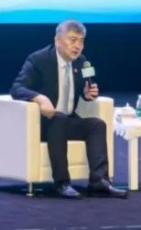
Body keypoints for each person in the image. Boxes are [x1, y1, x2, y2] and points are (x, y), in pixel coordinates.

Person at [10, 20, 128, 199]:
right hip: (43, 124)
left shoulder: (82, 62)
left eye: (81, 41)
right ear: (57, 39)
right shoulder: (39, 59)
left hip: (67, 120)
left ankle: (99, 182)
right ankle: (62, 183)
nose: (77, 46)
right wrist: (40, 98)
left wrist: (88, 94)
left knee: (96, 125)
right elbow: (17, 88)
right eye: (72, 40)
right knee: (59, 119)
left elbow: (85, 87)